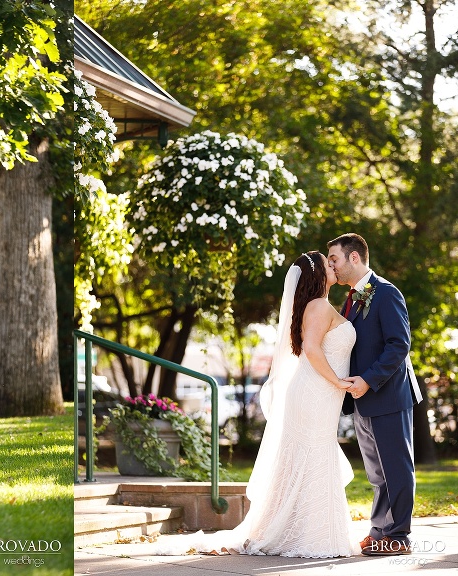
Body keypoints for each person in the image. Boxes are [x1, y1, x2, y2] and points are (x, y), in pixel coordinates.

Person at [157, 251, 357, 558]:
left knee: (311, 457)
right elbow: (313, 349)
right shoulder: (318, 306)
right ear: (317, 275)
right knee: (312, 456)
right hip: (315, 392)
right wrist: (339, 382)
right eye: (328, 264)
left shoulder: (320, 305)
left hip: (318, 394)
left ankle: (306, 530)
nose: (334, 266)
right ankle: (310, 535)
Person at [328, 233, 422, 556]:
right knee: (377, 473)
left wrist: (368, 380)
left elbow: (399, 345)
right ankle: (380, 529)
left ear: (355, 258)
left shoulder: (386, 293)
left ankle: (398, 536)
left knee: (396, 467)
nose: (332, 266)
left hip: (389, 395)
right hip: (363, 399)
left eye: (334, 259)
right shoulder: (352, 298)